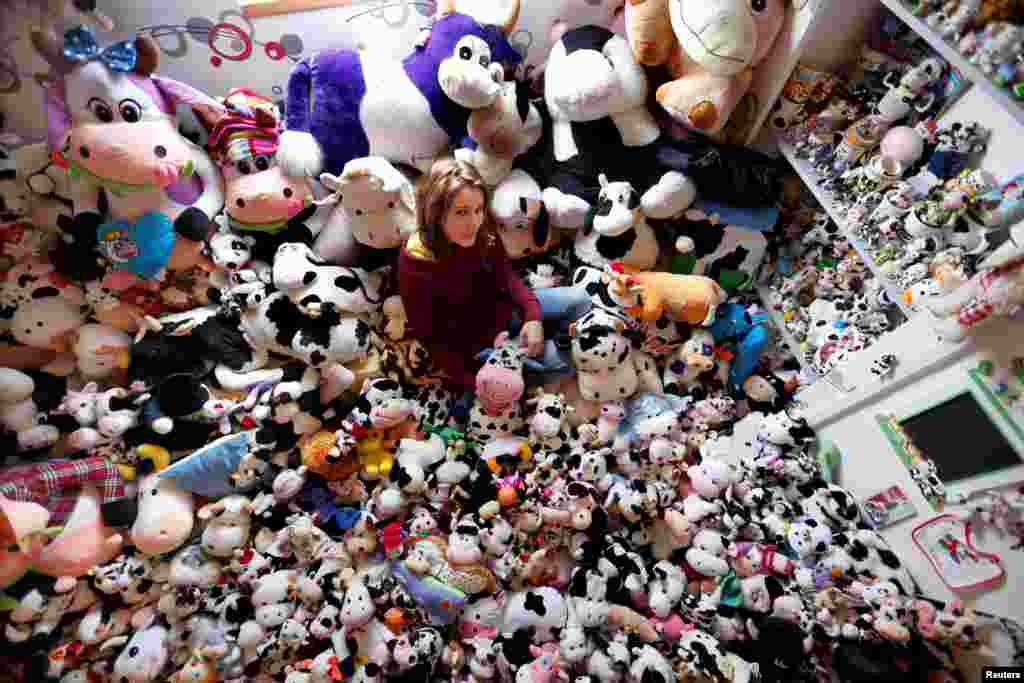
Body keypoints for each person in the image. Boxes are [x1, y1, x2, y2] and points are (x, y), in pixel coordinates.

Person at [398, 159, 591, 396]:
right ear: (435, 213)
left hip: (505, 312)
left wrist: (532, 316)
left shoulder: (481, 228)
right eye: (461, 212)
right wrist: (478, 384)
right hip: (483, 351)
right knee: (572, 355)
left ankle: (550, 344)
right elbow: (434, 341)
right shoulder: (417, 263)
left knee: (581, 299)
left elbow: (505, 275)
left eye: (478, 210)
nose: (473, 222)